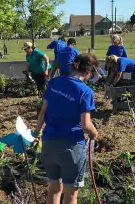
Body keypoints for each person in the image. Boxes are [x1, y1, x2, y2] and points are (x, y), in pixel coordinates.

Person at [34, 53, 99, 204]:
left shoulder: (54, 83)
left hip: (49, 144)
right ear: (90, 71)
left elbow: (42, 112)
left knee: (54, 189)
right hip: (71, 147)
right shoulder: (85, 91)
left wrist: (36, 132)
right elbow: (85, 125)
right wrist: (95, 133)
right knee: (70, 195)